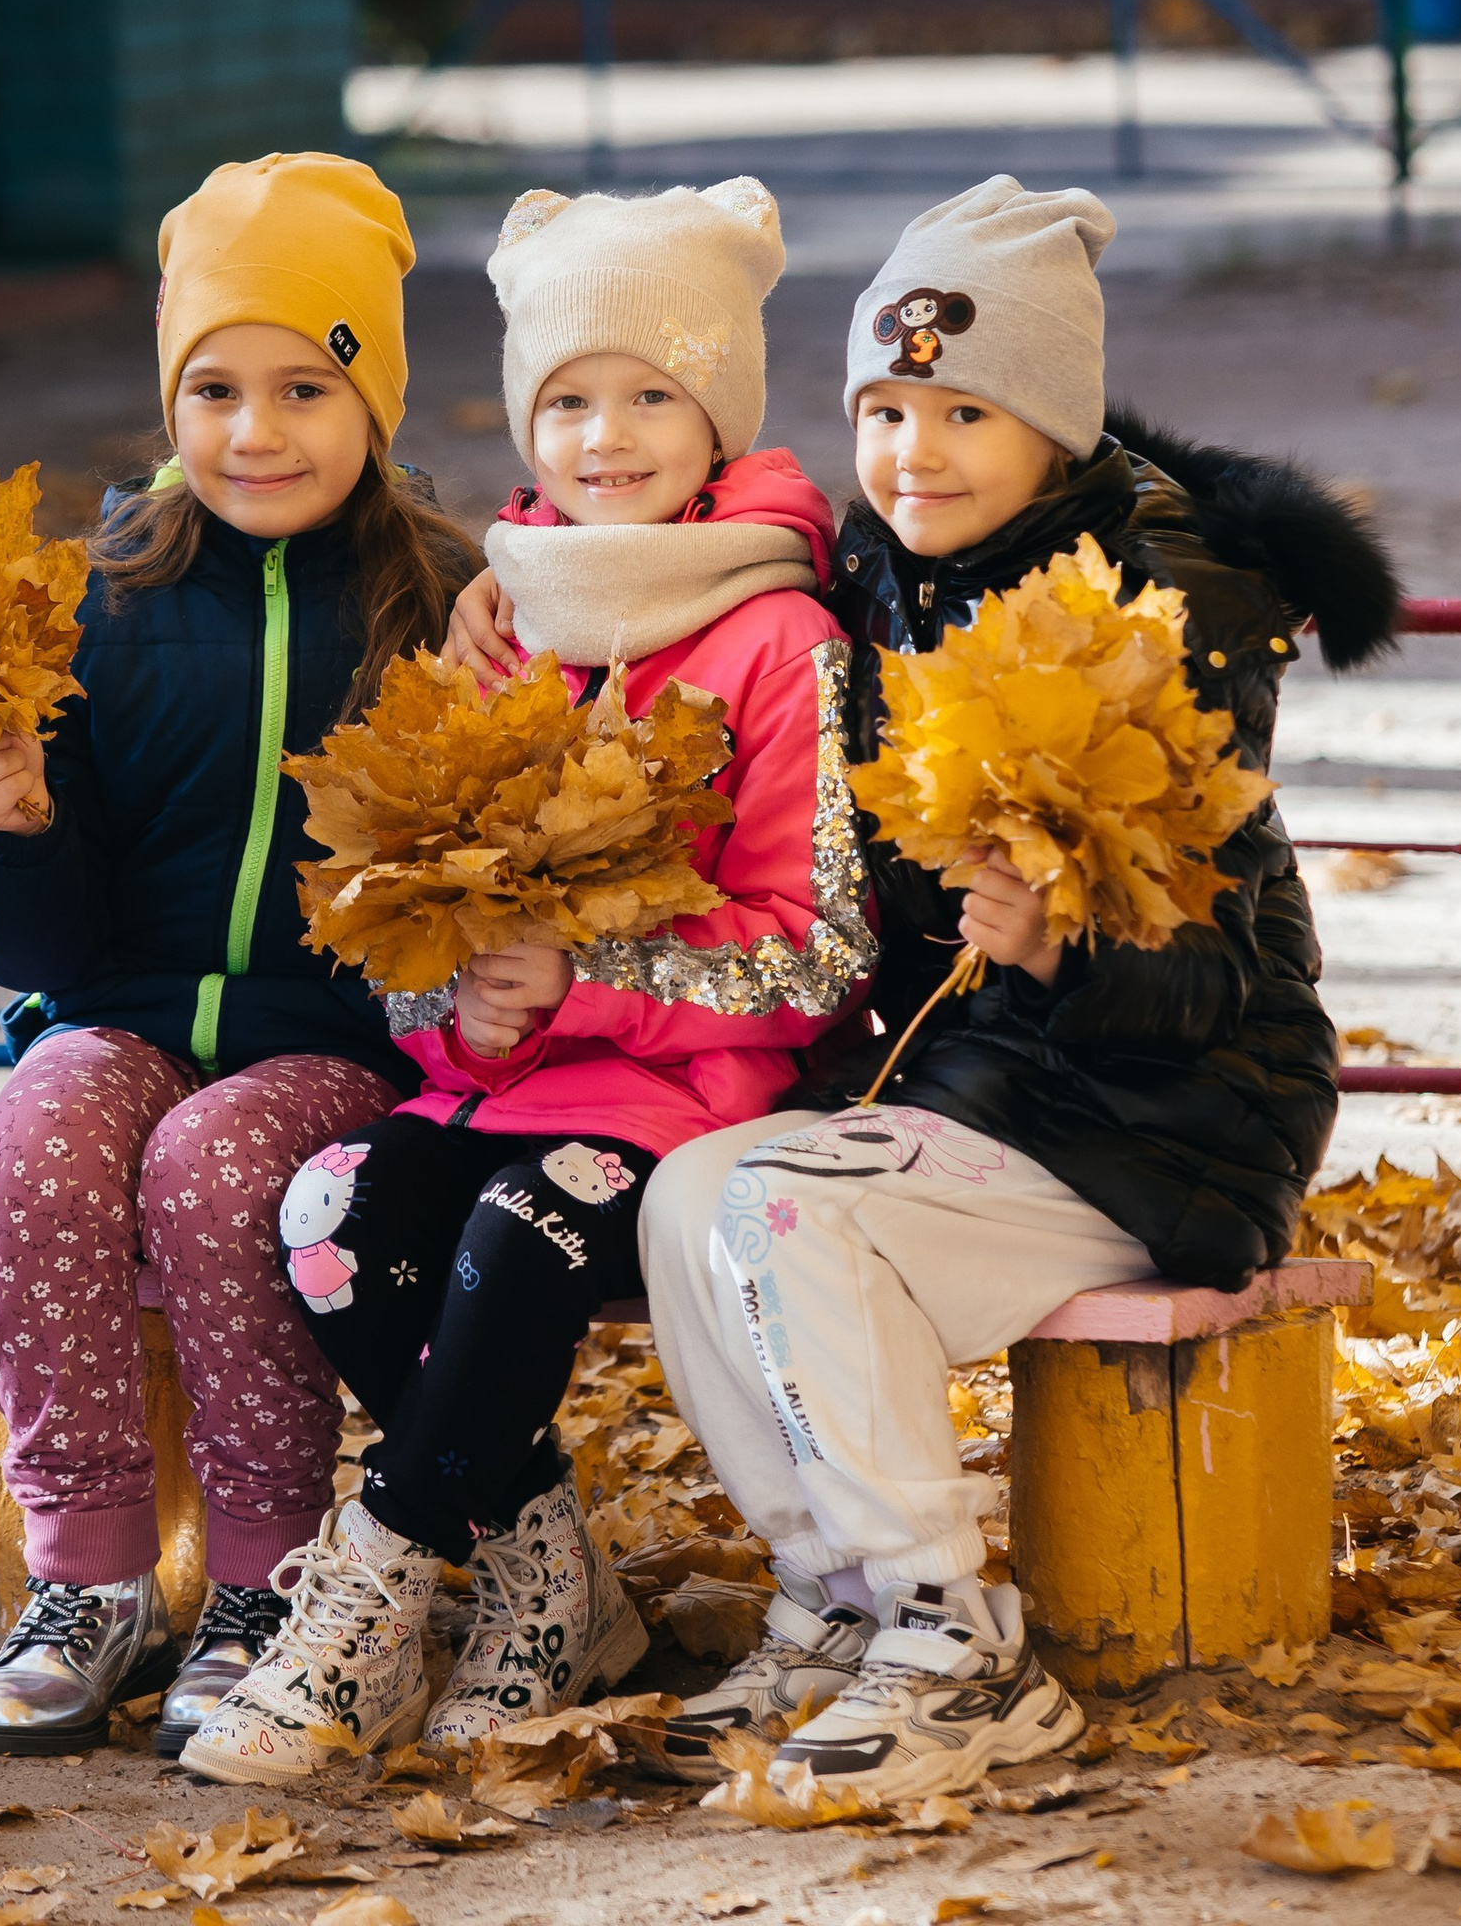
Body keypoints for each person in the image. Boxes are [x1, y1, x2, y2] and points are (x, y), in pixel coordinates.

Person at [634, 176, 1402, 1800]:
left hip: (1173, 1115)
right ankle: (838, 1601)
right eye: (888, 406)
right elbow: (687, 576)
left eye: (965, 408)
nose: (915, 448)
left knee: (784, 1204)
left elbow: (1212, 971)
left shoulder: (1167, 611)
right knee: (688, 1189)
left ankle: (953, 1641)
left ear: (1051, 423)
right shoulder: (890, 577)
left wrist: (1064, 945)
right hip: (980, 1094)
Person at [180, 177, 875, 1780]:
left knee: (516, 1234)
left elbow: (820, 952)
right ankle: (546, 1582)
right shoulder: (499, 621)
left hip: (687, 1098)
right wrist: (451, 1008)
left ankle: (365, 1588)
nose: (605, 433)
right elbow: (405, 907)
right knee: (330, 1219)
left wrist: (577, 984)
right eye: (567, 397)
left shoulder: (781, 639)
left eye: (650, 393)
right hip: (487, 1082)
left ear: (719, 412)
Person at [0, 153, 479, 1758]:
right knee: (38, 1137)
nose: (257, 432)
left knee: (214, 1163)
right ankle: (91, 1579)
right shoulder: (96, 604)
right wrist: (11, 822)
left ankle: (261, 1578)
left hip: (340, 1042)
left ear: (371, 392)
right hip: (122, 1011)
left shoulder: (440, 599)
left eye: (306, 386)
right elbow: (18, 947)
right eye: (215, 388)